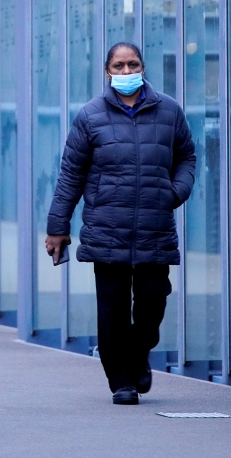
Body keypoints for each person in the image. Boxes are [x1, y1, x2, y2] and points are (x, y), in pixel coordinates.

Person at [45, 42, 196, 405]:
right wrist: (57, 227)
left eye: (133, 65)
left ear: (143, 67)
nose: (126, 72)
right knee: (111, 309)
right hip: (105, 226)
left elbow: (187, 157)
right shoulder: (90, 116)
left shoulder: (169, 111)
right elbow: (71, 175)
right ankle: (121, 382)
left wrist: (174, 192)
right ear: (107, 70)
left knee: (152, 301)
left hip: (154, 226)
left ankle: (140, 352)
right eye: (119, 65)